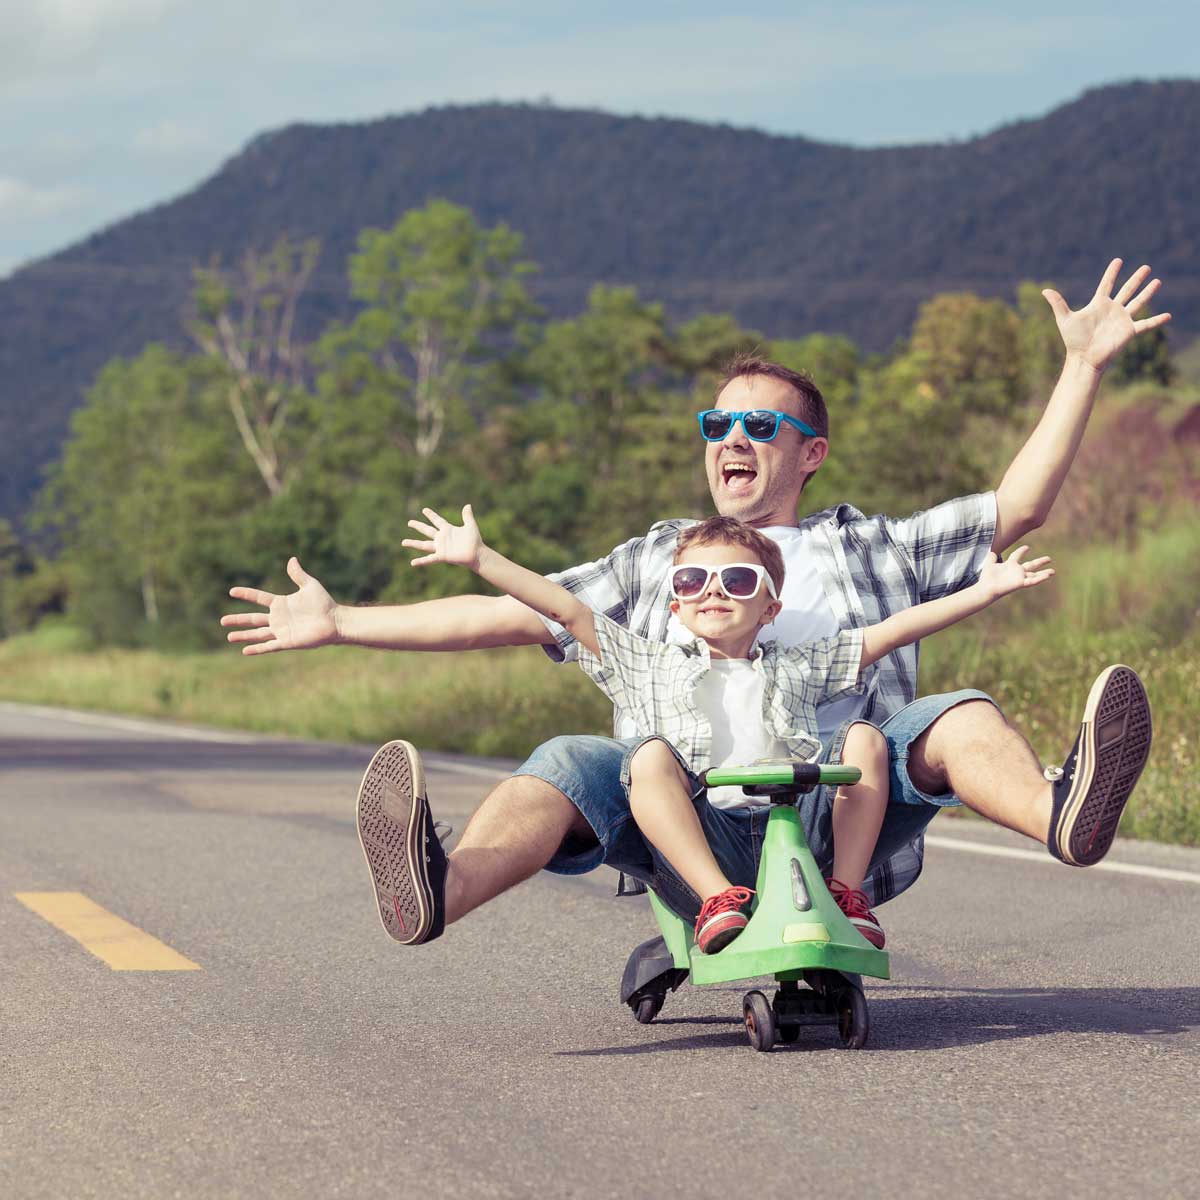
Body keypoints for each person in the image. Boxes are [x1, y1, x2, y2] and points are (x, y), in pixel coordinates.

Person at [221, 258, 1161, 949]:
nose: (733, 437)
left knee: (955, 715)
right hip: (689, 820)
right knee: (568, 760)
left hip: (845, 812)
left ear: (811, 453)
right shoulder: (662, 559)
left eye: (762, 424)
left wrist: (1081, 366)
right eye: (718, 424)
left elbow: (1018, 507)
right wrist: (343, 622)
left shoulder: (873, 544)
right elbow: (520, 615)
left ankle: (1061, 814)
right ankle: (437, 885)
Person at [383, 504, 1053, 954]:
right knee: (647, 756)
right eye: (694, 579)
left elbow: (892, 631)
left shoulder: (801, 664)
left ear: (770, 606)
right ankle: (715, 904)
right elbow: (562, 606)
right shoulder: (643, 661)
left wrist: (983, 591)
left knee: (866, 739)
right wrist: (481, 559)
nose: (713, 590)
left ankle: (846, 895)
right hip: (705, 844)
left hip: (804, 834)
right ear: (674, 601)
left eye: (737, 580)